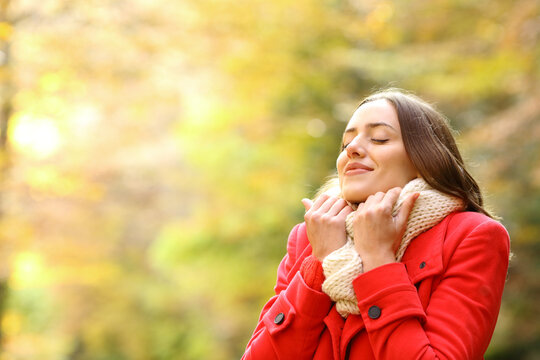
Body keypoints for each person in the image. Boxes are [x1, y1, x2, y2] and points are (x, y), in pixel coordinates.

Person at [242, 89, 510, 360]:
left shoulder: (472, 236)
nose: (353, 149)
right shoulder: (310, 237)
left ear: (425, 159)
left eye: (379, 139)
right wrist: (319, 265)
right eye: (346, 143)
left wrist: (378, 258)